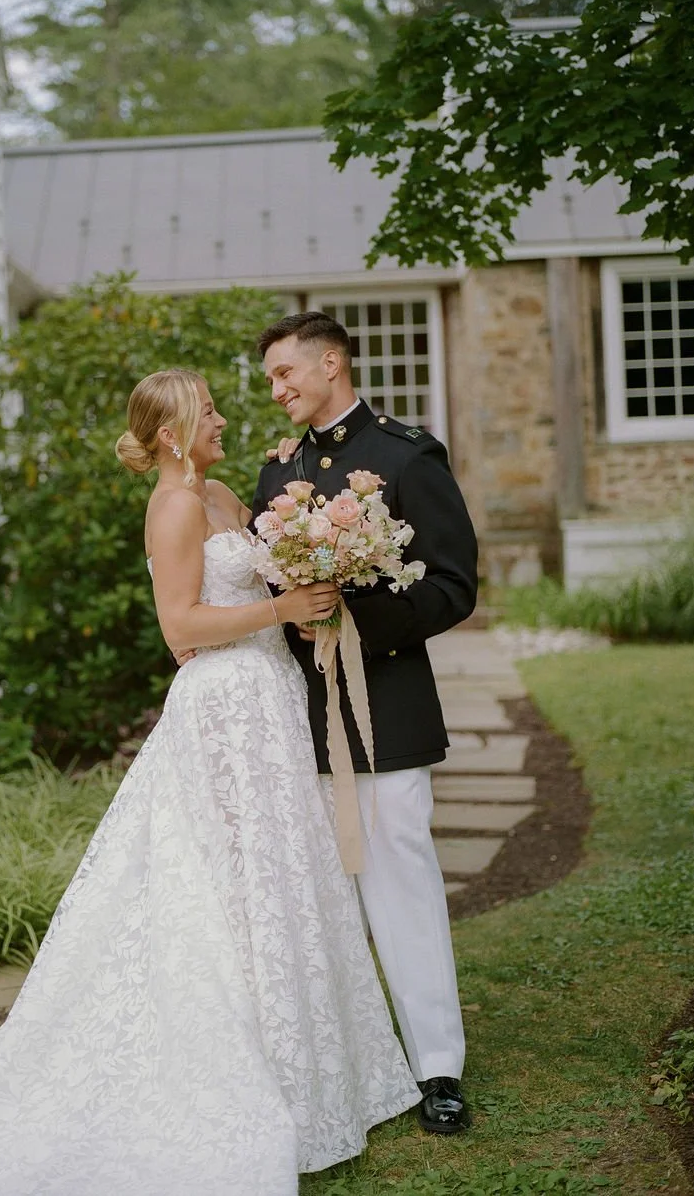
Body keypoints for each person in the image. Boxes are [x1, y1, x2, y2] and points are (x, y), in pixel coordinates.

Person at [0, 368, 420, 1196]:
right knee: (224, 890)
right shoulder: (175, 506)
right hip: (222, 709)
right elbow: (179, 626)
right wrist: (279, 613)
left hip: (269, 701)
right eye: (209, 411)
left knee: (278, 880)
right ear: (174, 432)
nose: (223, 418)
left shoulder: (218, 490)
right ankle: (235, 1071)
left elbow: (254, 579)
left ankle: (316, 1072)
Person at [251, 313, 479, 1135]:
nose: (276, 390)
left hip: (388, 704)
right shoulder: (277, 477)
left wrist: (359, 619)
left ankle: (437, 1068)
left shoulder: (404, 455)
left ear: (332, 362)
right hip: (298, 714)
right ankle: (345, 1061)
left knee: (402, 880)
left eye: (285, 373)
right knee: (315, 899)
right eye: (271, 378)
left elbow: (454, 584)